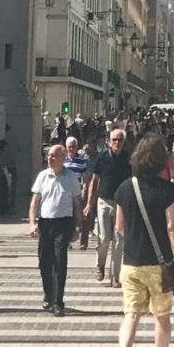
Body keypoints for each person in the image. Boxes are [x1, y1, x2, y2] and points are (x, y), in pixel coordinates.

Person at [113, 131, 174, 347]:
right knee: (162, 317)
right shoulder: (167, 190)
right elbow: (172, 228)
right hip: (160, 265)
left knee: (131, 315)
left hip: (131, 263)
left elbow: (119, 227)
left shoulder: (124, 188)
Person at [30, 142, 86, 315]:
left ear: (62, 158)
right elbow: (34, 202)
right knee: (43, 262)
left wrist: (78, 227)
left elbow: (77, 204)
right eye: (48, 155)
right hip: (45, 224)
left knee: (60, 262)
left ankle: (58, 301)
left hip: (64, 223)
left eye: (53, 156)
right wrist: (32, 223)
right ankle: (48, 293)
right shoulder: (42, 176)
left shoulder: (71, 178)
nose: (50, 158)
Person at [89, 125, 131, 288]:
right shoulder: (102, 158)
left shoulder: (128, 159)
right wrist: (89, 203)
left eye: (120, 140)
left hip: (122, 204)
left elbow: (132, 180)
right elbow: (94, 181)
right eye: (114, 140)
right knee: (105, 238)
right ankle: (100, 265)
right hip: (104, 202)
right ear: (108, 142)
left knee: (119, 241)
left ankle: (115, 276)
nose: (117, 143)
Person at [64, 134, 93, 248]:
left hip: (77, 193)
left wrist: (85, 190)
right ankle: (67, 240)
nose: (71, 149)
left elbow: (84, 177)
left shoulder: (81, 161)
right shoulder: (63, 160)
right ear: (66, 147)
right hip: (65, 193)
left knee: (78, 217)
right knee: (67, 217)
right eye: (69, 147)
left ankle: (81, 238)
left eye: (73, 147)